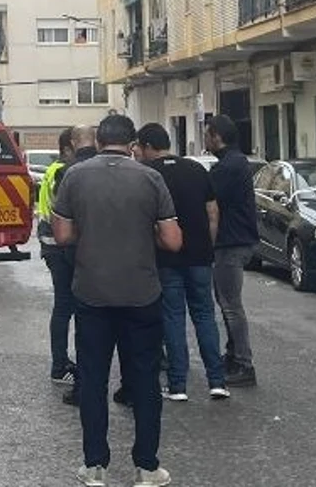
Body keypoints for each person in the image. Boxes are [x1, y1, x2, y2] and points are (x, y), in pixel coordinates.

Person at [52, 113, 181, 487]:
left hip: (91, 293)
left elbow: (62, 235)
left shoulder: (75, 176)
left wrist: (89, 231)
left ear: (98, 140)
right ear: (131, 144)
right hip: (141, 294)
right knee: (143, 381)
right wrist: (147, 235)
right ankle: (147, 467)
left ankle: (95, 466)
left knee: (92, 380)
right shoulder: (150, 177)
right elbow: (173, 241)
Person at [137, 123, 229, 402]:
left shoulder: (149, 175)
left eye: (140, 148)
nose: (138, 154)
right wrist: (207, 246)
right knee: (204, 315)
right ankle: (217, 381)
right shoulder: (196, 170)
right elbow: (213, 213)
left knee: (173, 317)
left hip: (166, 258)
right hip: (200, 256)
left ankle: (178, 386)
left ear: (148, 146)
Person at [206, 113, 258, 386]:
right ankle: (233, 354)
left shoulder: (228, 167)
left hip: (230, 242)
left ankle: (243, 362)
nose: (205, 139)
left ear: (217, 136)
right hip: (236, 241)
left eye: (207, 134)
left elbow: (211, 201)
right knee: (227, 302)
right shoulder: (235, 162)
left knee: (230, 305)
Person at [37, 127, 86, 387]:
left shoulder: (54, 168)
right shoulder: (63, 170)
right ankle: (60, 364)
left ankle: (62, 363)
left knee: (64, 305)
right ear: (70, 146)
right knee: (67, 305)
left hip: (51, 242)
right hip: (59, 245)